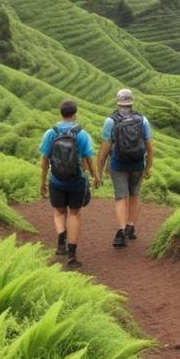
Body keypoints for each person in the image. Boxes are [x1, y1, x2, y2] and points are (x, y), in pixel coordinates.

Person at [39, 100, 100, 267]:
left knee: (59, 213)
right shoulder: (82, 134)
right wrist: (96, 177)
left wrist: (42, 182)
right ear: (75, 114)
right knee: (74, 214)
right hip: (77, 181)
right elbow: (89, 158)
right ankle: (72, 256)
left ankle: (61, 239)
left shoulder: (50, 133)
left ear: (61, 114)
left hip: (56, 180)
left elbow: (44, 160)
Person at [97, 88, 153, 248]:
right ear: (132, 102)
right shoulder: (142, 120)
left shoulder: (111, 121)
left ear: (118, 101)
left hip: (118, 164)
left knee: (121, 197)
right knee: (134, 194)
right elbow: (149, 146)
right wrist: (148, 167)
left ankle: (121, 232)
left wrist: (99, 172)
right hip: (137, 164)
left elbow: (104, 150)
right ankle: (130, 226)